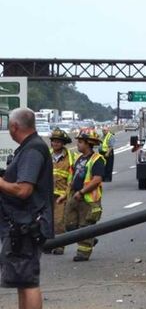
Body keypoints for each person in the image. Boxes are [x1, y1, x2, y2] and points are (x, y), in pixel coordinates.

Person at [0, 107, 53, 309]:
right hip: (21, 224)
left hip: (27, 225)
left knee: (28, 282)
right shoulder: (28, 147)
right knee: (21, 281)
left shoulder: (32, 150)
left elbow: (24, 190)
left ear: (14, 126)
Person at [61, 131, 105, 261]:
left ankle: (83, 253)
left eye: (80, 142)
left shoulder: (97, 159)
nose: (77, 144)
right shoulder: (78, 158)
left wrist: (82, 192)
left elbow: (97, 180)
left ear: (88, 143)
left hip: (88, 199)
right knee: (69, 225)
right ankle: (90, 238)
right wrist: (66, 195)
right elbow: (72, 178)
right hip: (74, 196)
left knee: (85, 226)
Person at [43, 130, 73, 256]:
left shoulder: (71, 158)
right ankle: (48, 244)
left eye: (58, 141)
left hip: (61, 195)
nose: (55, 143)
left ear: (63, 143)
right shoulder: (47, 156)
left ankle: (60, 245)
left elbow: (72, 179)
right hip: (46, 195)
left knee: (59, 221)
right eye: (53, 141)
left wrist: (66, 194)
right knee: (46, 221)